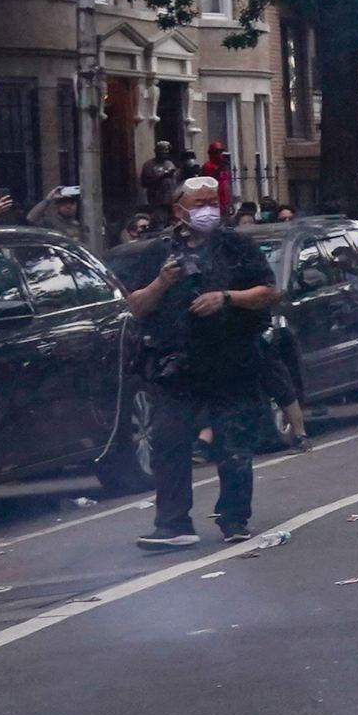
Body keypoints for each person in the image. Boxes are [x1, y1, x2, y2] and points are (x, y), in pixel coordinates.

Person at [120, 173, 280, 550]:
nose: (209, 210)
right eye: (200, 204)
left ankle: (234, 517)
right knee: (169, 440)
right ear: (179, 210)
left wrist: (226, 298)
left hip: (229, 360)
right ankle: (173, 523)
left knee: (233, 441)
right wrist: (161, 283)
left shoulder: (236, 247)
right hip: (176, 364)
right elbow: (136, 305)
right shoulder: (158, 252)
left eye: (214, 202)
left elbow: (269, 291)